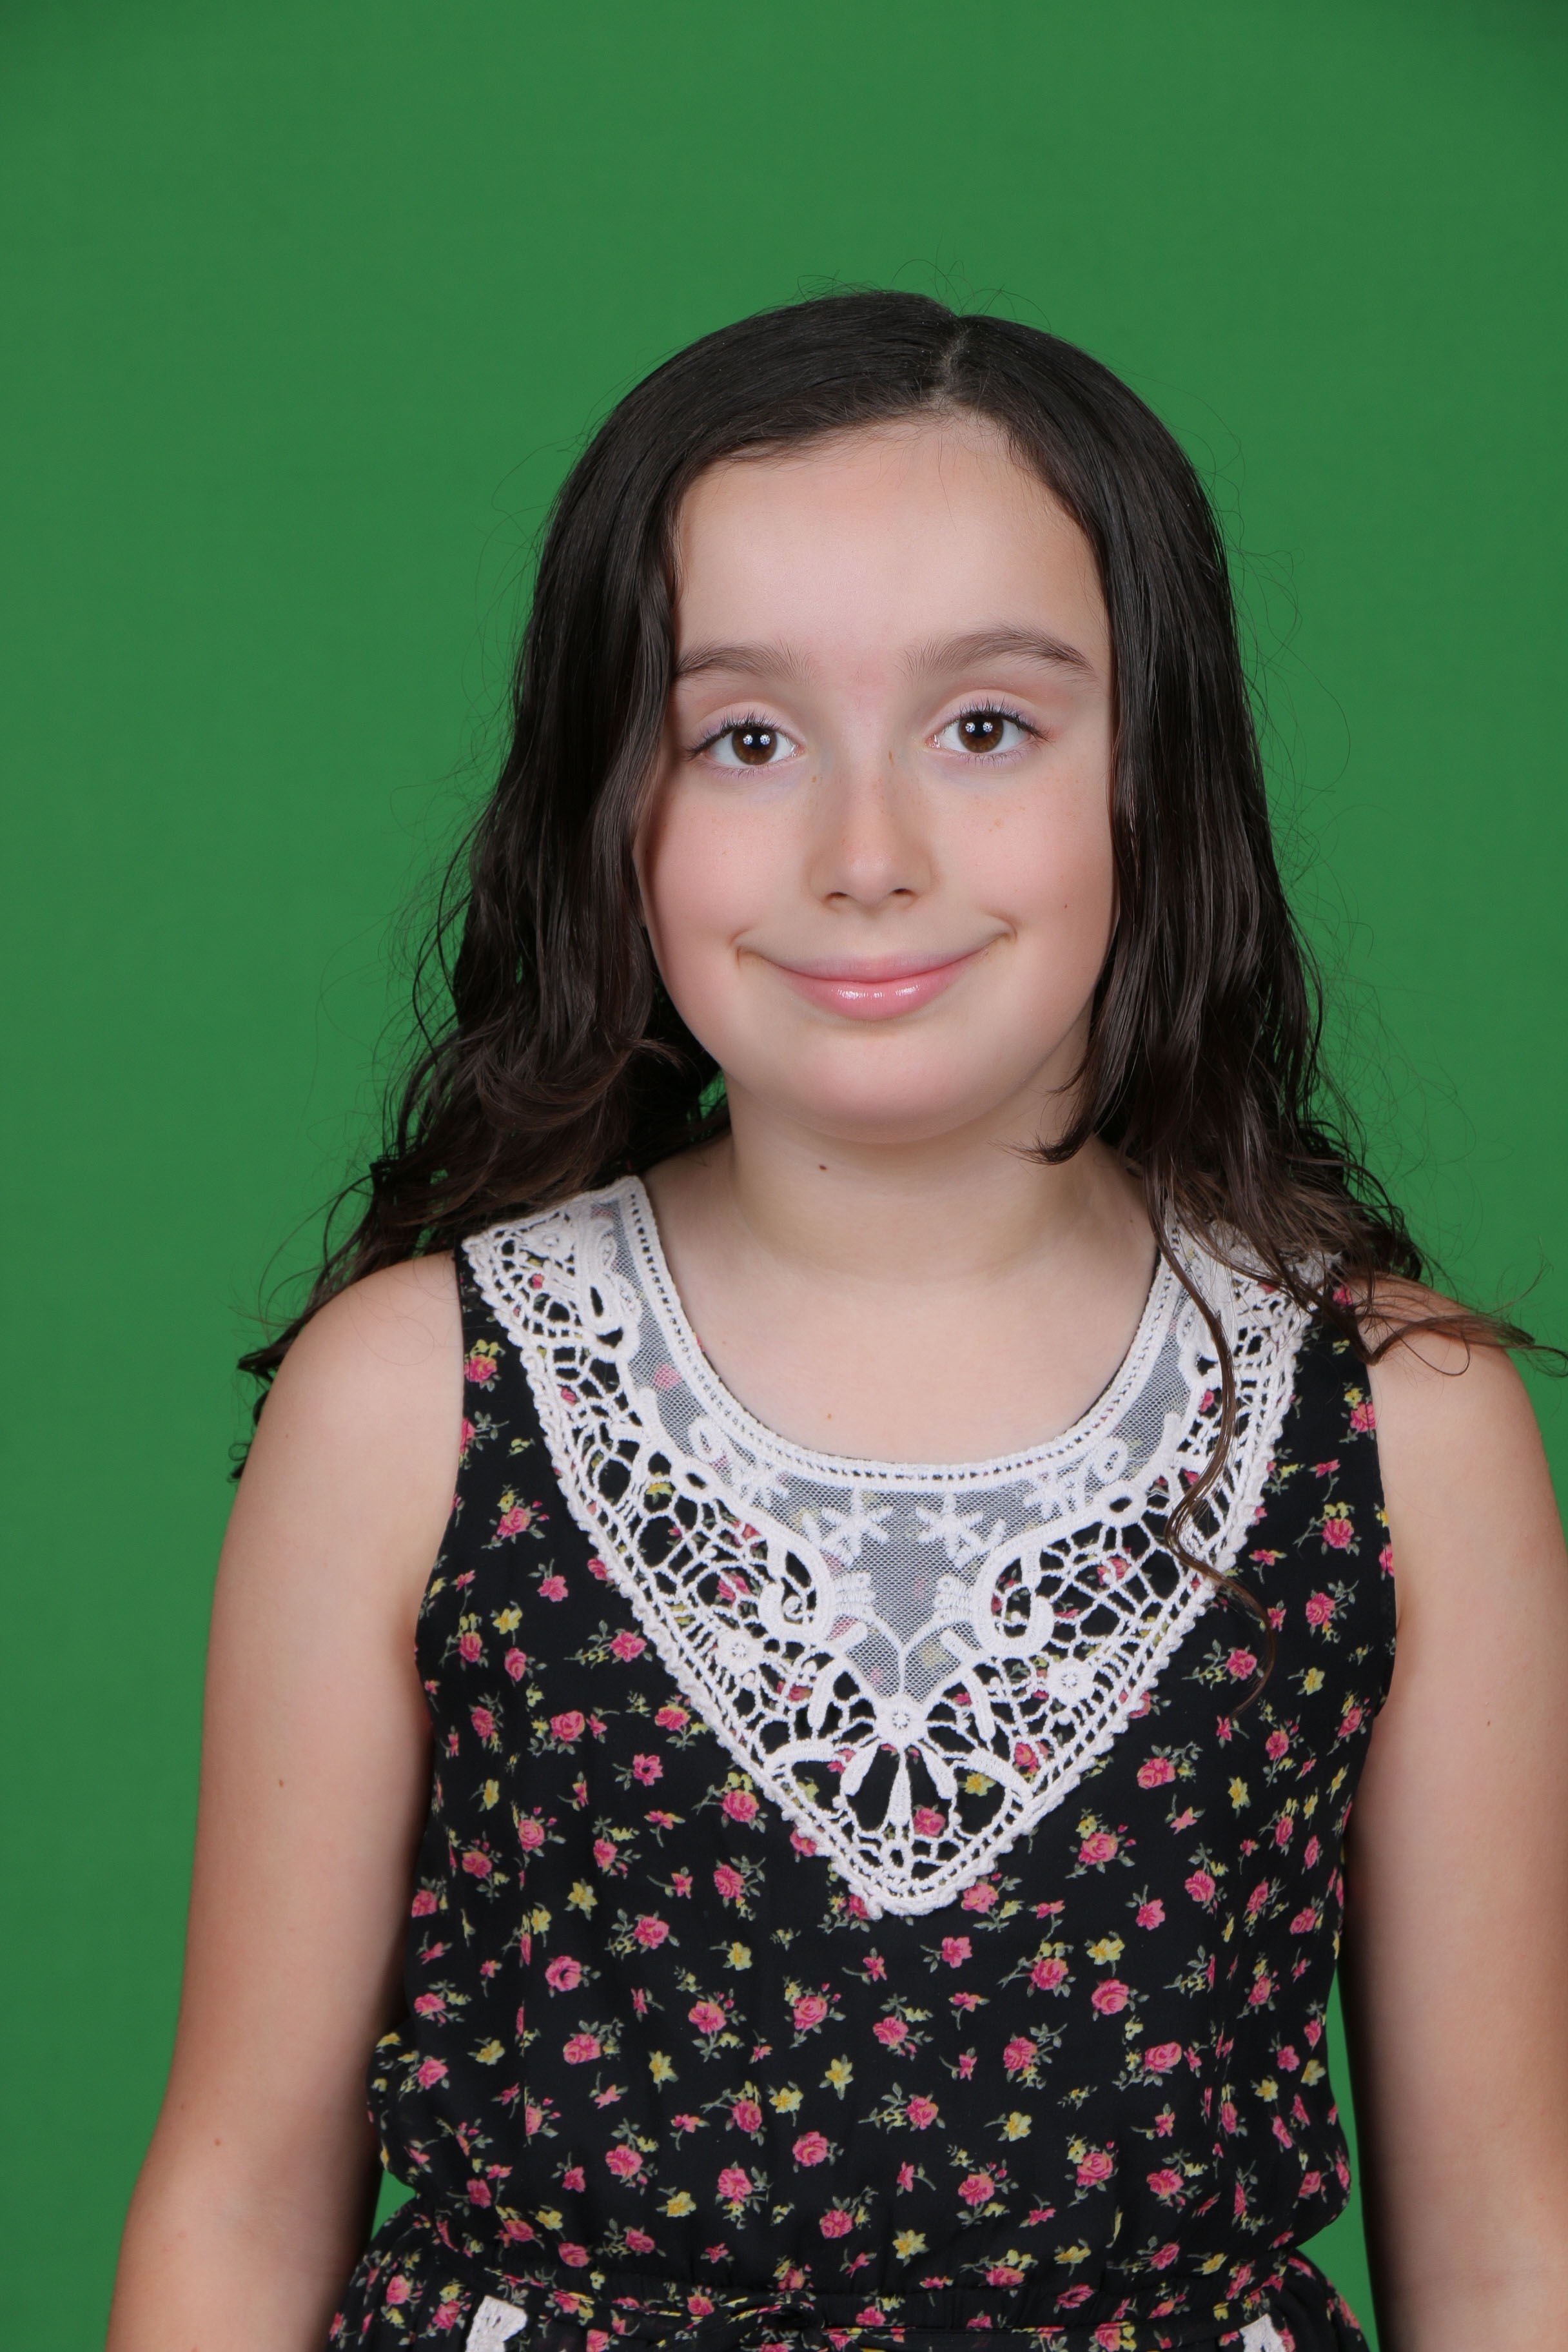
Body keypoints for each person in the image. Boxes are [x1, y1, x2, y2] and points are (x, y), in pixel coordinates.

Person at [106, 293, 1568, 2352]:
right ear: (612, 802)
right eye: (746, 738)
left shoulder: (1402, 1423)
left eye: (986, 729)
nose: (866, 856)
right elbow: (240, 2201)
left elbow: (1507, 2249)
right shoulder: (414, 1400)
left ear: (1157, 777)